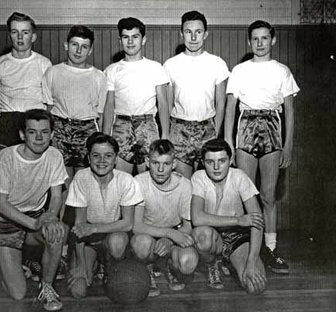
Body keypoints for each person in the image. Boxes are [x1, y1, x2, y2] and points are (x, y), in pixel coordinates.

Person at [224, 20, 300, 274]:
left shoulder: (282, 71)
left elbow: (289, 111)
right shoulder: (239, 70)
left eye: (264, 38)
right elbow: (230, 109)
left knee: (268, 195)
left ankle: (270, 249)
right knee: (244, 194)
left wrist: (288, 145)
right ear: (249, 41)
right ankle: (240, 248)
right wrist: (227, 143)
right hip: (245, 126)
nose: (259, 43)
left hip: (271, 128)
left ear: (273, 40)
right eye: (255, 39)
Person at [0, 109, 68, 311]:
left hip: (36, 218)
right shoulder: (6, 157)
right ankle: (12, 267)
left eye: (45, 132)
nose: (39, 137)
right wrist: (35, 223)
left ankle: (46, 286)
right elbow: (0, 204)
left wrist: (49, 218)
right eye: (32, 132)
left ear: (52, 134)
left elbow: (56, 196)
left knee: (57, 232)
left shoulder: (54, 155)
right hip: (7, 222)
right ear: (22, 134)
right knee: (18, 294)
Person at [65, 132, 143, 298]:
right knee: (78, 291)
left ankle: (110, 268)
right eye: (96, 155)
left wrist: (93, 228)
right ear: (88, 158)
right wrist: (80, 264)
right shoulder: (81, 177)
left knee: (117, 241)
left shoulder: (126, 180)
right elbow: (79, 228)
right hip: (89, 243)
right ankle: (92, 264)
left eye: (108, 155)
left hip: (113, 239)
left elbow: (128, 223)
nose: (102, 161)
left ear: (115, 158)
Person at [191, 138, 266, 294]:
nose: (216, 167)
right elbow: (197, 218)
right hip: (213, 235)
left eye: (222, 161)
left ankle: (231, 262)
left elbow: (257, 221)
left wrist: (251, 262)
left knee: (254, 287)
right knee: (202, 235)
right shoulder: (198, 177)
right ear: (203, 163)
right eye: (210, 162)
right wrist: (238, 220)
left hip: (236, 237)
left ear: (231, 160)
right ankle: (213, 263)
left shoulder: (239, 177)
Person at [163, 10, 229, 179]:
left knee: (206, 186)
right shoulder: (171, 65)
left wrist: (216, 131)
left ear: (205, 34)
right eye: (188, 32)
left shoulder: (217, 63)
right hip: (179, 129)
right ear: (181, 34)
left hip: (207, 129)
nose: (193, 37)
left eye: (198, 32)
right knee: (183, 186)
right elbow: (167, 104)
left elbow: (221, 103)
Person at [102, 17, 170, 175]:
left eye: (135, 37)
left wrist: (165, 134)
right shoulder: (112, 70)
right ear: (120, 40)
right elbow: (109, 106)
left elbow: (163, 104)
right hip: (121, 125)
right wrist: (106, 138)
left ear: (143, 39)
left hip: (147, 125)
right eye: (126, 37)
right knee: (120, 178)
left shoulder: (155, 67)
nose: (130, 41)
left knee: (148, 177)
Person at [131, 139, 198, 297]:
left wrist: (171, 239)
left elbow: (188, 226)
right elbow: (136, 226)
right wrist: (168, 233)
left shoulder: (185, 184)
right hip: (147, 234)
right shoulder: (138, 182)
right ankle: (148, 270)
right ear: (147, 161)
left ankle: (169, 266)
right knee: (142, 244)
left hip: (174, 234)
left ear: (174, 164)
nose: (160, 169)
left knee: (188, 262)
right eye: (155, 163)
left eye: (166, 164)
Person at [42, 25, 107, 186]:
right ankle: (61, 212)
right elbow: (47, 109)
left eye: (84, 47)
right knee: (61, 183)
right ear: (66, 45)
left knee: (85, 183)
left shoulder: (98, 76)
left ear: (90, 50)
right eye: (74, 45)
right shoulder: (52, 72)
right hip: (59, 129)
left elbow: (102, 114)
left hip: (87, 131)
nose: (78, 51)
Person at [0, 12, 52, 149]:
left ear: (33, 37)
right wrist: (4, 123)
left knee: (36, 166)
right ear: (9, 35)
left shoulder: (44, 64)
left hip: (36, 120)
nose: (20, 37)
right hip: (8, 121)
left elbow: (50, 101)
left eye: (25, 32)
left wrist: (42, 123)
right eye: (15, 32)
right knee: (8, 166)